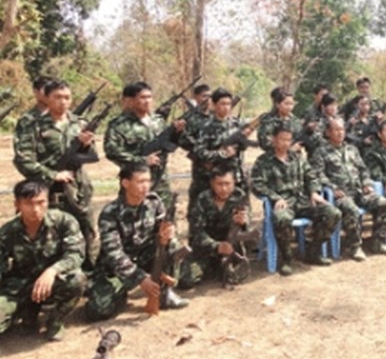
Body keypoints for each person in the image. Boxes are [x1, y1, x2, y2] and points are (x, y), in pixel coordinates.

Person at [86, 164, 189, 321]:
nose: (145, 186)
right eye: (140, 181)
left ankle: (164, 293)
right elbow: (114, 253)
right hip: (115, 269)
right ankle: (120, 293)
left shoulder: (154, 202)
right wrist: (140, 278)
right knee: (99, 310)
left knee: (172, 245)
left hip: (145, 257)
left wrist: (167, 235)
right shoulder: (110, 213)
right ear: (125, 183)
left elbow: (161, 235)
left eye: (148, 180)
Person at [13, 79, 97, 255]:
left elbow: (92, 156)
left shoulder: (79, 124)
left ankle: (88, 272)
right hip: (47, 191)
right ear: (47, 98)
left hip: (78, 188)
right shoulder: (33, 125)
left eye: (67, 97)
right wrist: (52, 174)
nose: (63, 101)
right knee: (49, 235)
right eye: (57, 97)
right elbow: (23, 159)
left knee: (85, 231)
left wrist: (85, 145)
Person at [0, 180, 86, 341]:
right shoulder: (6, 232)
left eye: (41, 202)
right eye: (29, 203)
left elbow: (76, 254)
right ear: (17, 204)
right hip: (21, 286)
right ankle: (25, 312)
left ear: (48, 201)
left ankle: (55, 321)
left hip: (53, 283)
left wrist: (52, 271)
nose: (36, 209)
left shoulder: (64, 222)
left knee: (77, 280)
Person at [250, 125, 341, 275]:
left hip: (303, 201)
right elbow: (257, 184)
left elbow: (311, 176)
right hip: (284, 202)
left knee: (333, 213)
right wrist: (275, 197)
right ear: (273, 140)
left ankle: (313, 252)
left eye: (288, 140)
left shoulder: (298, 158)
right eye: (282, 139)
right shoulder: (263, 161)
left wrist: (314, 192)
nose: (285, 143)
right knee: (282, 218)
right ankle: (287, 259)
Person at [311, 118, 386, 259]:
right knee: (351, 209)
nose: (340, 133)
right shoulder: (321, 152)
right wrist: (332, 187)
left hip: (359, 191)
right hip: (341, 194)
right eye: (336, 130)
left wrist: (366, 183)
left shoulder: (352, 149)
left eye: (342, 129)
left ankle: (378, 242)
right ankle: (354, 247)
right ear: (328, 132)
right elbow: (318, 174)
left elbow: (363, 170)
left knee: (383, 202)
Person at [103, 81, 182, 212]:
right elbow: (112, 152)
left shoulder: (158, 121)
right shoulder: (119, 125)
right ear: (132, 100)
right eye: (142, 97)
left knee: (165, 223)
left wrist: (177, 133)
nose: (147, 101)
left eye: (149, 97)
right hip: (134, 182)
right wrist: (142, 160)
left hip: (161, 182)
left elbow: (169, 146)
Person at [179, 168, 255, 288]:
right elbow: (196, 232)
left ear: (234, 182)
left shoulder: (240, 196)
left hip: (231, 248)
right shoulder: (202, 199)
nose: (224, 189)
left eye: (227, 184)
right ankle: (212, 268)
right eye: (219, 184)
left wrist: (244, 222)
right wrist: (216, 246)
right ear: (212, 184)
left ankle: (219, 268)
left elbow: (248, 226)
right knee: (185, 281)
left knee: (236, 277)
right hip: (206, 248)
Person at [191, 88, 254, 203]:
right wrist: (222, 154)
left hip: (237, 178)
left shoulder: (236, 125)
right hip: (216, 182)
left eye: (229, 104)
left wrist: (244, 140)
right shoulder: (206, 128)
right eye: (222, 104)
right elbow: (199, 153)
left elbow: (242, 149)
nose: (226, 107)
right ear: (214, 105)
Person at [256, 87, 304, 152]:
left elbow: (300, 140)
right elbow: (264, 143)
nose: (290, 107)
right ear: (277, 104)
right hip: (274, 159)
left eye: (292, 104)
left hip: (294, 160)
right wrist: (289, 149)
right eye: (286, 104)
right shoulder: (269, 120)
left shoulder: (295, 120)